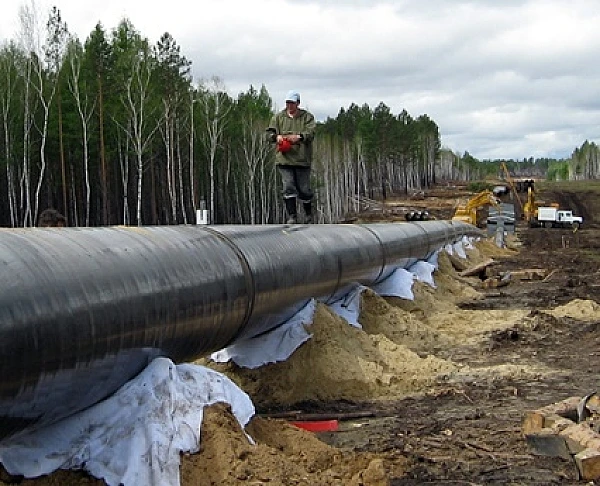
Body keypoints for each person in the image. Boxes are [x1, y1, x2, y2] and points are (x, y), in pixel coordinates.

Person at [267, 90, 316, 224]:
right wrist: (276, 137)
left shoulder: (307, 117)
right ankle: (292, 216)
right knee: (288, 186)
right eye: (287, 102)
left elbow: (311, 133)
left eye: (292, 103)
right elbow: (269, 134)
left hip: (302, 159)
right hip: (284, 159)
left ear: (298, 103)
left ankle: (308, 215)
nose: (289, 105)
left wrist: (300, 137)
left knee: (304, 189)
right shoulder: (278, 117)